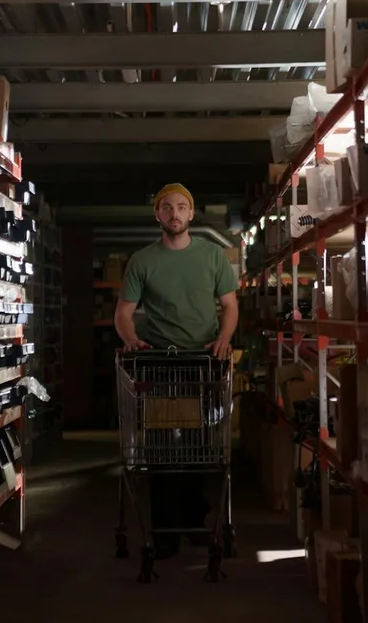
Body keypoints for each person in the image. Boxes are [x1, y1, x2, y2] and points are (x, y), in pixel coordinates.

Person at [114, 183, 238, 559]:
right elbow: (123, 313)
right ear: (157, 215)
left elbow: (230, 306)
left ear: (191, 213)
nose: (174, 213)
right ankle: (165, 528)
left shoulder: (213, 256)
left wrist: (224, 339)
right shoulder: (142, 260)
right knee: (161, 449)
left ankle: (197, 521)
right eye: (166, 208)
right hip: (160, 363)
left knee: (201, 447)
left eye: (181, 207)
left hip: (201, 362)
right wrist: (131, 338)